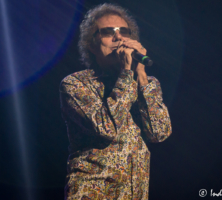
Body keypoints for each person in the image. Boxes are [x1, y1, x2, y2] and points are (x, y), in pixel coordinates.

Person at [59, 3, 172, 200]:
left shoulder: (145, 84)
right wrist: (127, 73)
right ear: (92, 44)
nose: (118, 38)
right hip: (93, 193)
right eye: (108, 32)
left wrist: (141, 74)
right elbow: (106, 127)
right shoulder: (76, 84)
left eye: (124, 32)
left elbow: (159, 133)